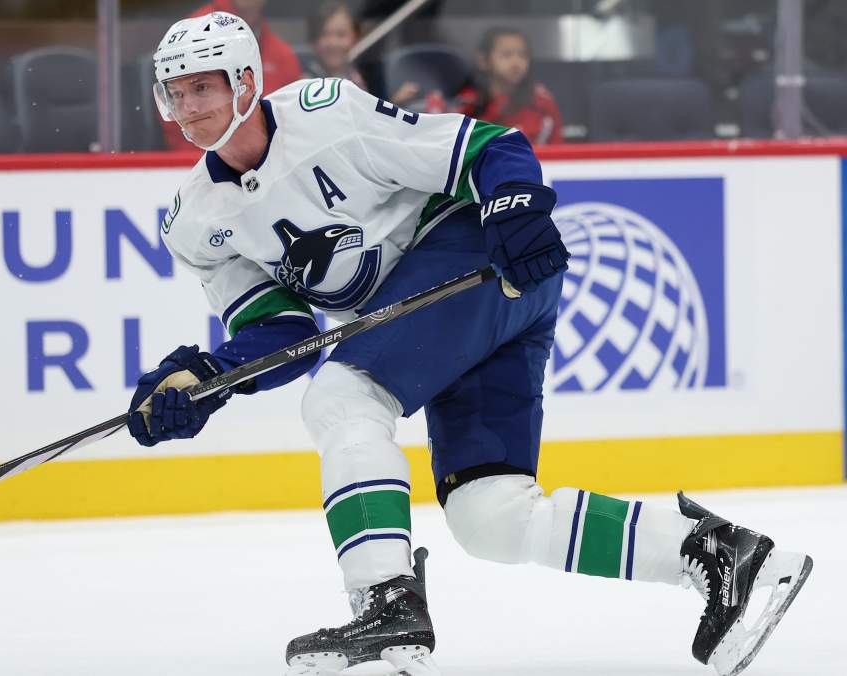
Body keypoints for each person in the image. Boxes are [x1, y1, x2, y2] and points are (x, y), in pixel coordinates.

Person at [135, 10, 812, 676]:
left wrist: (516, 206)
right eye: (176, 91)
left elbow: (491, 146)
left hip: (482, 260)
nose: (188, 106)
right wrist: (205, 379)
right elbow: (283, 337)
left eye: (203, 86)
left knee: (343, 398)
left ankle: (385, 600)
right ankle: (719, 554)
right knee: (492, 517)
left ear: (246, 81)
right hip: (440, 318)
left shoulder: (328, 114)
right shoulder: (193, 223)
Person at [160, 0, 300, 151]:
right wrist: (216, 159)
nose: (189, 107)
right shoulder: (187, 36)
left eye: (202, 88)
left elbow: (290, 118)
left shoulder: (283, 55)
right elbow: (180, 128)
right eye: (201, 87)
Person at [451, 26, 562, 145]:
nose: (516, 62)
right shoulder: (468, 102)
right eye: (506, 54)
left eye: (523, 55)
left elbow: (556, 149)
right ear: (483, 60)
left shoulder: (542, 103)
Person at [302, 1, 367, 91]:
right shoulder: (304, 85)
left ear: (355, 37)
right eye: (324, 34)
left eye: (341, 34)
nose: (333, 43)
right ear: (314, 39)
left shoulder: (365, 78)